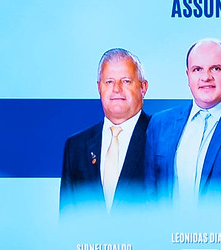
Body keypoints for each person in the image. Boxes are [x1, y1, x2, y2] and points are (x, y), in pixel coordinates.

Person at [144, 38, 221, 205]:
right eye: (197, 69)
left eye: (216, 68)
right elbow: (149, 195)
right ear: (188, 75)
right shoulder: (160, 124)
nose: (206, 77)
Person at [59, 48, 153, 211]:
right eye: (109, 81)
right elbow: (68, 219)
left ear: (143, 87)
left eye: (126, 81)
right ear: (99, 87)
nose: (116, 89)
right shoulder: (76, 146)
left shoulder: (161, 137)